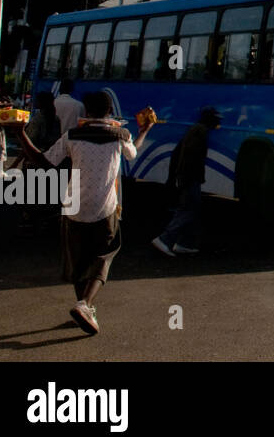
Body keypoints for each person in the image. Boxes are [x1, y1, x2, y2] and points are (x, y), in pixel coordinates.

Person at [16, 90, 154, 335]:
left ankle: (84, 308)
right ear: (110, 111)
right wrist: (144, 131)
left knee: (78, 262)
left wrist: (20, 134)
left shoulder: (72, 136)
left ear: (86, 113)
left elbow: (44, 161)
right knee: (105, 255)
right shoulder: (120, 135)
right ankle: (85, 304)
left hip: (73, 209)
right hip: (105, 210)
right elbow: (133, 153)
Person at [153, 106, 219, 256]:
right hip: (190, 177)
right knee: (188, 210)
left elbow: (177, 153)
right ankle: (165, 239)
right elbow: (191, 157)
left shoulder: (194, 130)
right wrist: (185, 177)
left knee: (193, 210)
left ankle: (186, 243)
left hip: (186, 176)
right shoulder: (200, 132)